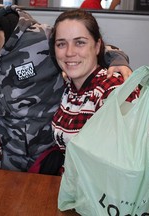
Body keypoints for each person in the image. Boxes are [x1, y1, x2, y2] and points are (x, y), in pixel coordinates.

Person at [0, 0, 132, 172]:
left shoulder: (40, 37)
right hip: (8, 153)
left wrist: (117, 61)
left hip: (50, 152)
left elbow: (85, 47)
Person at [50, 9, 139, 173]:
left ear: (97, 46)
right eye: (61, 44)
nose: (69, 52)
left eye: (80, 42)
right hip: (71, 185)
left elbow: (121, 168)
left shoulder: (113, 89)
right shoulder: (69, 85)